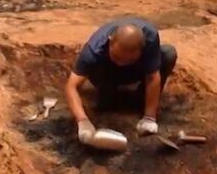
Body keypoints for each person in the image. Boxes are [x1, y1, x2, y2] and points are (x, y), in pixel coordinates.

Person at [65, 18, 177, 149]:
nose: (121, 63)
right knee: (107, 104)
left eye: (129, 59)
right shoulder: (94, 50)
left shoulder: (150, 38)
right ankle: (109, 93)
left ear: (142, 49)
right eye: (117, 57)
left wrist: (149, 117)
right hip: (107, 72)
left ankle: (140, 97)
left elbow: (153, 77)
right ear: (110, 41)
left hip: (135, 71)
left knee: (168, 53)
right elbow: (71, 86)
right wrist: (82, 121)